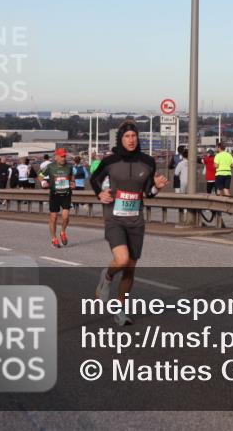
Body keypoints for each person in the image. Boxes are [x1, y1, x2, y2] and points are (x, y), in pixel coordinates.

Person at [90, 121, 167, 327]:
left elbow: (149, 192)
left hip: (136, 220)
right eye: (127, 137)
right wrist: (100, 193)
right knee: (122, 259)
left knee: (130, 269)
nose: (131, 140)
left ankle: (120, 311)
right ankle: (106, 277)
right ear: (120, 139)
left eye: (134, 136)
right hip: (114, 218)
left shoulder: (148, 162)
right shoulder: (110, 161)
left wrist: (157, 187)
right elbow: (94, 179)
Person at [46, 148, 74, 249]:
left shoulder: (69, 166)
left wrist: (73, 184)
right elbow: (40, 175)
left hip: (66, 194)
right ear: (56, 157)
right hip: (54, 194)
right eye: (61, 156)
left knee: (65, 217)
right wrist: (43, 182)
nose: (63, 158)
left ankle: (62, 231)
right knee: (53, 217)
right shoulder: (50, 166)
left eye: (64, 156)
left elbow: (72, 178)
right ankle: (54, 238)